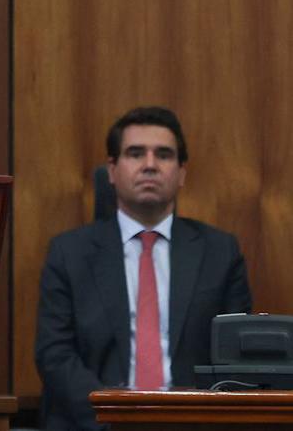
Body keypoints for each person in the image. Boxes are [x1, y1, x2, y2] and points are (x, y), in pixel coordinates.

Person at [34, 106, 252, 430]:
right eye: (136, 154)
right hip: (95, 424)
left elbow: (235, 360)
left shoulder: (220, 253)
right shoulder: (69, 253)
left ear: (181, 173)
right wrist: (113, 418)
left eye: (163, 155)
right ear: (112, 170)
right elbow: (55, 355)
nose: (150, 165)